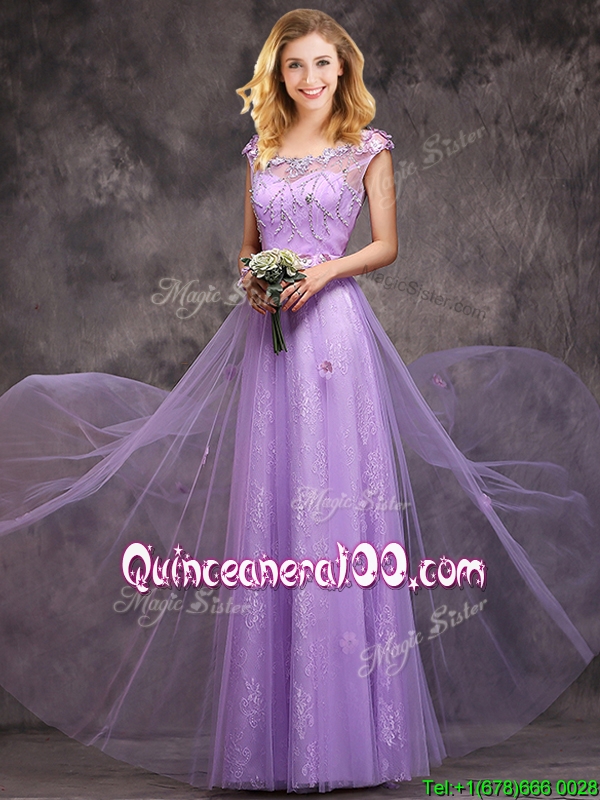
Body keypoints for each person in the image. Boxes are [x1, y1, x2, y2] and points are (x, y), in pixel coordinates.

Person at [0, 7, 599, 794]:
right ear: (277, 75)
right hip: (269, 339)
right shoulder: (262, 151)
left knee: (336, 508)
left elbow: (386, 244)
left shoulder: (369, 148)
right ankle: (271, 744)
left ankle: (348, 739)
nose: (310, 78)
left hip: (334, 335)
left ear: (343, 69)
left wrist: (322, 272)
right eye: (295, 66)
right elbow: (247, 248)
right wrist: (255, 282)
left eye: (322, 64)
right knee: (273, 506)